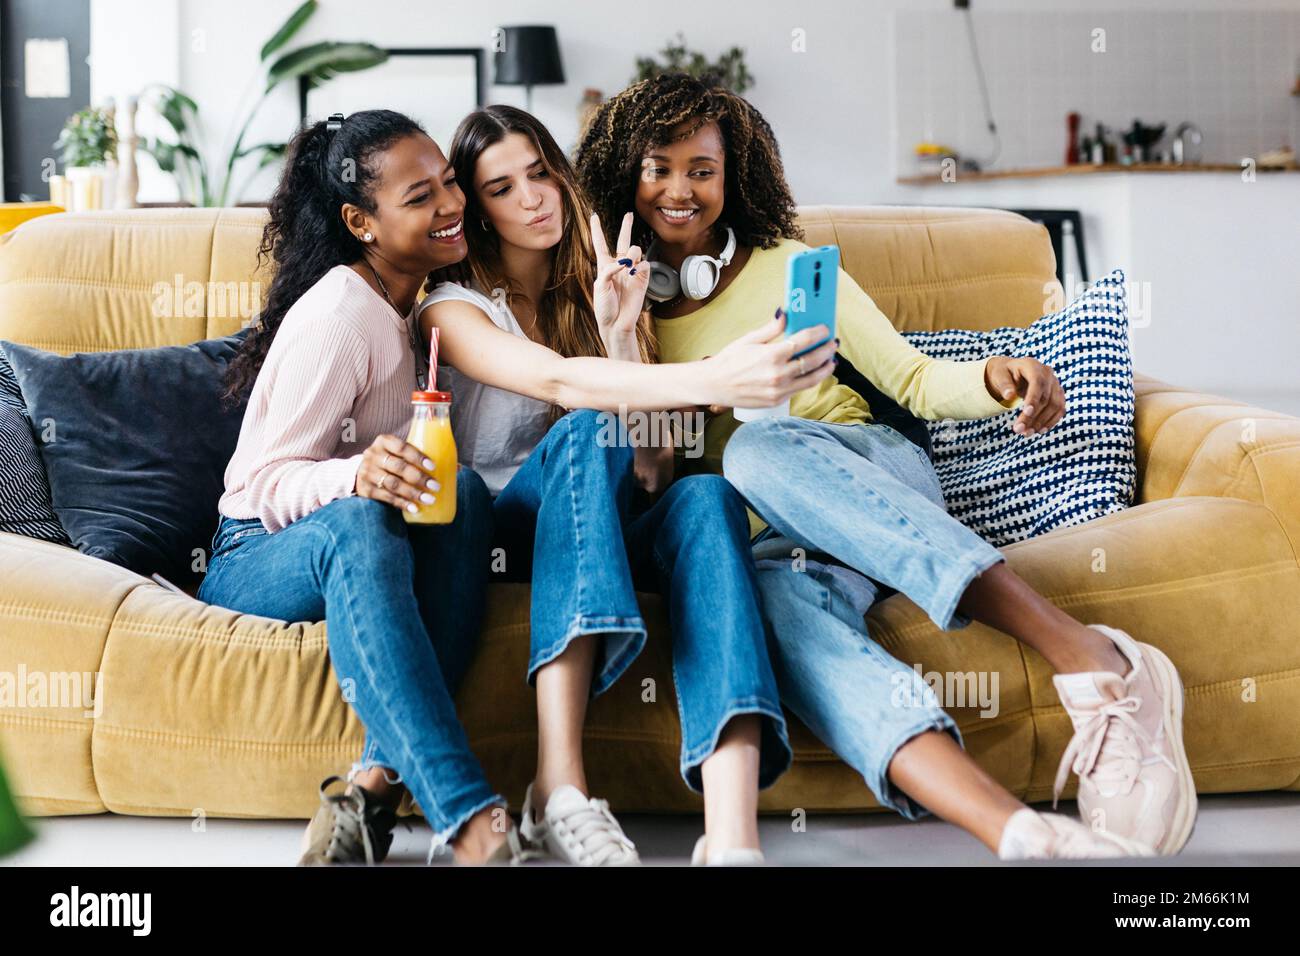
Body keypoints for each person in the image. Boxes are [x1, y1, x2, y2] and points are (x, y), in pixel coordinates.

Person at [575, 73, 1197, 859]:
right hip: (774, 542)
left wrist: (996, 377)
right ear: (623, 174)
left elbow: (910, 380)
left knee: (760, 448)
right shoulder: (611, 301)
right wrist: (625, 340)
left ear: (733, 179)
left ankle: (1089, 657)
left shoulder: (788, 266)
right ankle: (1026, 835)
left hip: (869, 475)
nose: (679, 189)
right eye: (658, 167)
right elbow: (653, 479)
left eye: (702, 169)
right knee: (779, 610)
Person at [417, 105, 836, 865]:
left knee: (707, 497)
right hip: (505, 533)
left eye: (541, 173)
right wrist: (709, 377)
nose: (535, 198)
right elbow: (552, 379)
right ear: (478, 212)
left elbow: (654, 470)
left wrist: (619, 335)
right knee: (583, 426)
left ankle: (733, 833)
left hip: (602, 523)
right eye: (504, 188)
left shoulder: (599, 293)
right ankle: (560, 785)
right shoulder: (451, 306)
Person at [200, 110, 519, 865]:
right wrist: (357, 474)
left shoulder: (413, 303)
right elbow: (266, 481)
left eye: (449, 182)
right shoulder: (345, 314)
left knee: (463, 493)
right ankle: (473, 823)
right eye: (420, 197)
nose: (451, 205)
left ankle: (370, 788)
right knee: (360, 521)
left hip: (353, 539)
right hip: (255, 554)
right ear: (361, 221)